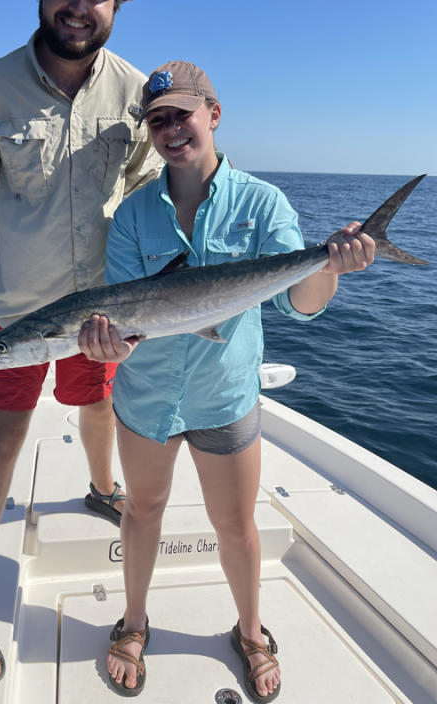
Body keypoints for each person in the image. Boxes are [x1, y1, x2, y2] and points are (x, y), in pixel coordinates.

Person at [78, 61, 376, 700]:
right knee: (142, 510)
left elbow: (301, 302)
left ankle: (249, 634)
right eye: (157, 120)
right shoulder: (133, 216)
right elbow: (127, 326)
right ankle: (134, 622)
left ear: (213, 114)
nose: (170, 130)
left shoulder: (263, 203)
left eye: (181, 114)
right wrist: (111, 347)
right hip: (148, 397)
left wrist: (333, 266)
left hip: (225, 396)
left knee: (236, 524)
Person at [0, 0, 162, 687]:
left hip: (105, 305)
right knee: (6, 431)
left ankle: (101, 488)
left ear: (117, 3)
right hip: (14, 304)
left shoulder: (138, 91)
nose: (78, 4)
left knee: (96, 403)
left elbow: (147, 194)